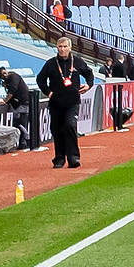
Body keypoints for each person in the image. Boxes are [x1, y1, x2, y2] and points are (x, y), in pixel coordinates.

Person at [37, 37, 95, 169]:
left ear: (70, 48)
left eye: (64, 46)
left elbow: (89, 73)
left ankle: (73, 158)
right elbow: (40, 79)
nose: (62, 49)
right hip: (56, 103)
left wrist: (89, 85)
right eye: (59, 47)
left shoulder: (77, 62)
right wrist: (49, 92)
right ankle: (59, 158)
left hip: (72, 102)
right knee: (57, 130)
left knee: (70, 126)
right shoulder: (51, 63)